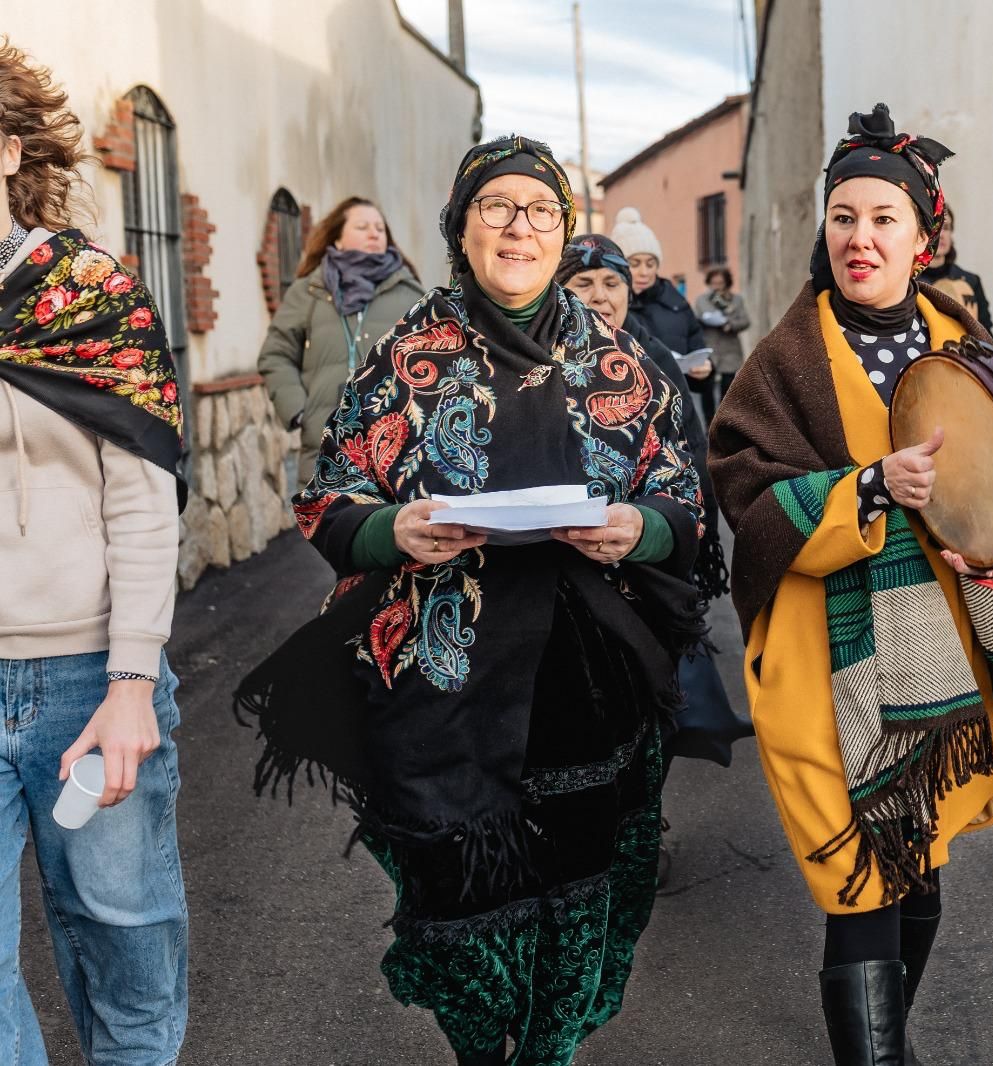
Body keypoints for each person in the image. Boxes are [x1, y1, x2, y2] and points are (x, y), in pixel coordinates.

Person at [237, 136, 704, 1066]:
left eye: (539, 210)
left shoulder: (623, 361)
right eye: (496, 209)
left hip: (587, 680)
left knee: (580, 887)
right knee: (457, 902)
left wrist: (637, 528)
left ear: (565, 231)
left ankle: (549, 1051)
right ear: (461, 229)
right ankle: (482, 1051)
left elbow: (683, 499)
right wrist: (391, 532)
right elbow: (331, 499)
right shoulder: (406, 356)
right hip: (439, 685)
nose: (518, 228)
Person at [709, 103, 993, 1065]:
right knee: (859, 869)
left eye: (882, 219)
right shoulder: (784, 360)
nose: (859, 239)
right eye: (843, 219)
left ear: (924, 235)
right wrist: (865, 486)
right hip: (827, 647)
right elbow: (744, 497)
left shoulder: (962, 339)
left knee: (921, 858)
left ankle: (891, 1044)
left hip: (944, 648)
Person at [0, 39, 188, 1064]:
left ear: (8, 150)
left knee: (126, 940)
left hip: (87, 674)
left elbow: (140, 501)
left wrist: (128, 679)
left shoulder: (91, 294)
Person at [556, 233, 751, 883]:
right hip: (567, 575)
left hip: (652, 566)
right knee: (585, 717)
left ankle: (639, 826)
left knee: (657, 712)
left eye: (610, 283)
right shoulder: (537, 366)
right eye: (582, 284)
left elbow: (693, 456)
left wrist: (681, 538)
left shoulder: (652, 357)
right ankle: (593, 831)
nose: (600, 296)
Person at [257, 196, 424, 487]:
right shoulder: (309, 291)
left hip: (396, 447)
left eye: (379, 228)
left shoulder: (410, 294)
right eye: (362, 227)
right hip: (326, 444)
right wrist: (298, 411)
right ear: (337, 239)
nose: (374, 233)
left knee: (392, 530)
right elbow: (275, 354)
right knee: (328, 530)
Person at [610, 207, 715, 421]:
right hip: (628, 416)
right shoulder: (608, 304)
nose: (644, 272)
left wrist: (706, 371)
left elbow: (697, 347)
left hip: (678, 412)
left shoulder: (676, 301)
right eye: (635, 263)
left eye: (651, 264)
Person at [920, 204, 993, 333]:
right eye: (936, 227)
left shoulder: (971, 281)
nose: (941, 235)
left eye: (946, 228)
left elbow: (985, 334)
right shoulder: (909, 281)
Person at [692, 266, 751, 414]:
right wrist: (703, 321)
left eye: (720, 283)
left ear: (727, 282)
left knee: (727, 387)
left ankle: (723, 420)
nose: (717, 286)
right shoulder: (702, 300)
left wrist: (730, 325)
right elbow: (693, 321)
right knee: (707, 388)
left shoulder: (736, 300)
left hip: (730, 349)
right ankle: (709, 423)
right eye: (714, 283)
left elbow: (745, 321)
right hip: (709, 347)